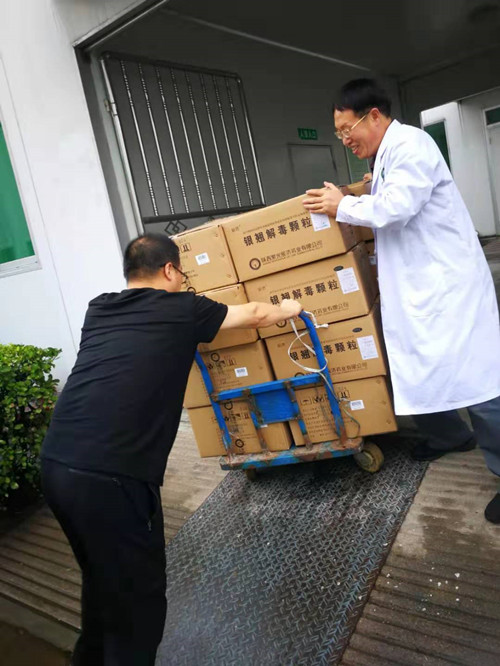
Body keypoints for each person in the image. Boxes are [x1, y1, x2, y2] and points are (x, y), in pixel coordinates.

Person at [40, 233, 302, 665]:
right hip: (113, 476)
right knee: (139, 607)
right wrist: (291, 307)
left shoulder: (98, 308)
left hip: (56, 464)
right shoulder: (183, 309)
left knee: (101, 581)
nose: (183, 280)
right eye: (182, 272)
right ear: (169, 270)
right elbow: (254, 314)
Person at [302, 78, 500, 524]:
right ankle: (450, 436)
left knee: (480, 382)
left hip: (447, 288)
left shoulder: (411, 144)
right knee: (420, 367)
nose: (345, 139)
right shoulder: (386, 155)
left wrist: (340, 205)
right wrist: (361, 192)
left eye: (347, 129)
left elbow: (396, 208)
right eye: (338, 133)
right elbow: (390, 199)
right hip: (419, 288)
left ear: (374, 115)